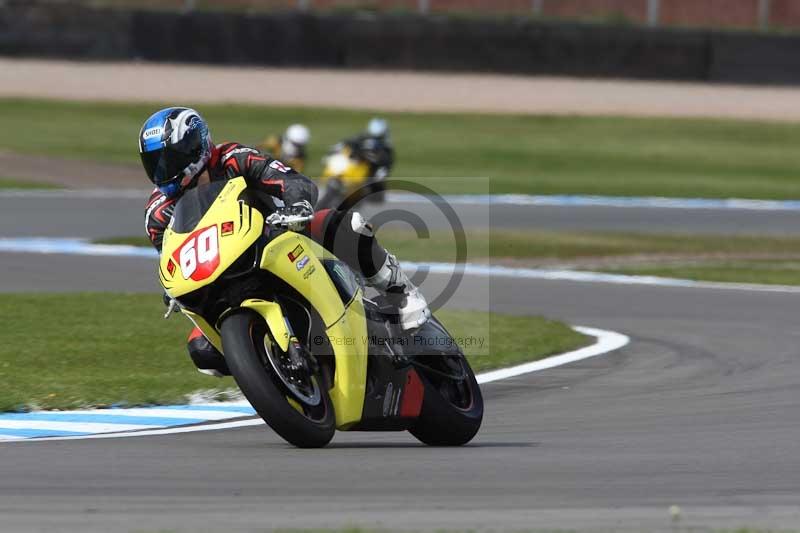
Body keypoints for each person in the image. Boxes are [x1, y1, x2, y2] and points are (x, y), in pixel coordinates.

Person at [139, 107, 428, 376]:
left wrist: (297, 205)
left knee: (340, 223)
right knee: (202, 351)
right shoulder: (158, 214)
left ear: (194, 147)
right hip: (220, 275)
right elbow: (171, 258)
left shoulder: (234, 157)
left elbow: (291, 180)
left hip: (279, 238)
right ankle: (270, 373)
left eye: (170, 159)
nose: (163, 171)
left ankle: (399, 291)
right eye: (155, 163)